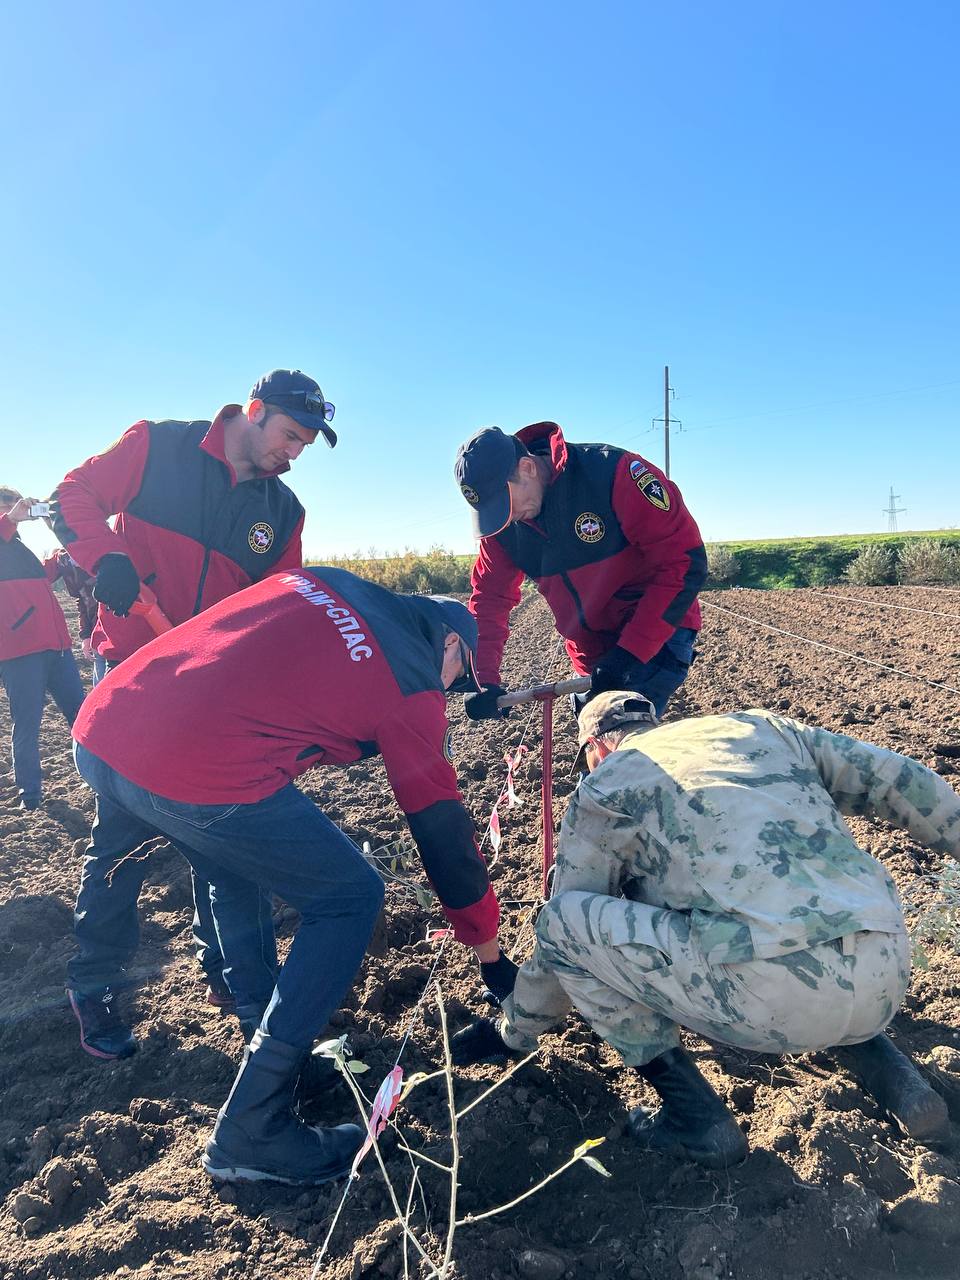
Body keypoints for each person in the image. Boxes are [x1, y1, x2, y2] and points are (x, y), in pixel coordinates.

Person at [71, 565, 515, 1184]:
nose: (453, 688)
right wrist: (491, 957)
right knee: (350, 895)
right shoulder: (411, 681)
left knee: (232, 863)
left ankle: (273, 1043)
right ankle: (253, 1128)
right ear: (449, 642)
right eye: (461, 674)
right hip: (185, 762)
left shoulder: (325, 580)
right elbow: (443, 837)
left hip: (105, 724)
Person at [452, 692, 958, 1168]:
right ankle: (905, 1088)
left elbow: (568, 930)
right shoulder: (762, 728)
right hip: (888, 966)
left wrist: (513, 1030)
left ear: (597, 747)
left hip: (769, 999)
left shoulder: (609, 783)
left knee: (563, 922)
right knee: (805, 917)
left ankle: (695, 1118)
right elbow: (904, 781)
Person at [51, 369, 336, 1052]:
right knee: (121, 840)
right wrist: (108, 558)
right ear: (254, 410)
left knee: (225, 842)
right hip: (131, 675)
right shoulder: (159, 448)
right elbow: (72, 495)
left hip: (210, 691)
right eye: (290, 436)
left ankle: (236, 985)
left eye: (304, 446)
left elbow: (280, 612)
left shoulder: (282, 513)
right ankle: (95, 989)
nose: (293, 454)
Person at [453, 423, 707, 721]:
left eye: (504, 503)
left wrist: (628, 655)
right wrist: (483, 680)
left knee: (618, 741)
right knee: (598, 746)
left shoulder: (613, 473)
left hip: (655, 632)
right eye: (492, 511)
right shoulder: (503, 525)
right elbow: (490, 599)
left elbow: (684, 561)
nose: (503, 517)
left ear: (527, 468)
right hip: (591, 652)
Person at [0, 489, 85, 809]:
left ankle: (102, 775)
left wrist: (55, 528)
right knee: (28, 723)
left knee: (82, 714)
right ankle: (30, 795)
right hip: (20, 652)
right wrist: (8, 519)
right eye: (6, 503)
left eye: (15, 502)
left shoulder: (19, 548)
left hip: (57, 648)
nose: (14, 508)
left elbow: (44, 577)